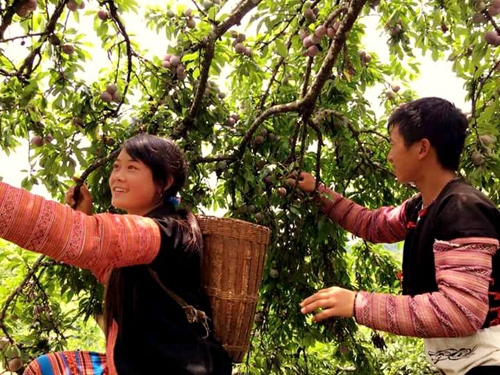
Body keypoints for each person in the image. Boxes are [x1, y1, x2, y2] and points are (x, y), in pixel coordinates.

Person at [289, 97, 500, 375]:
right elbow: (373, 224)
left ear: (422, 148)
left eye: (393, 143)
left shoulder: (463, 210)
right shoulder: (421, 207)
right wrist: (319, 192)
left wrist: (357, 303)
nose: (389, 155)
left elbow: (459, 311)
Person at [0, 133, 232, 374]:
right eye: (116, 166)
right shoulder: (152, 231)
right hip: (133, 363)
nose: (117, 176)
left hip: (171, 368)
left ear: (164, 182)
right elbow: (109, 267)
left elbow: (91, 240)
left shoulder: (170, 230)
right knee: (46, 368)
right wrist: (84, 219)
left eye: (132, 167)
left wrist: (82, 225)